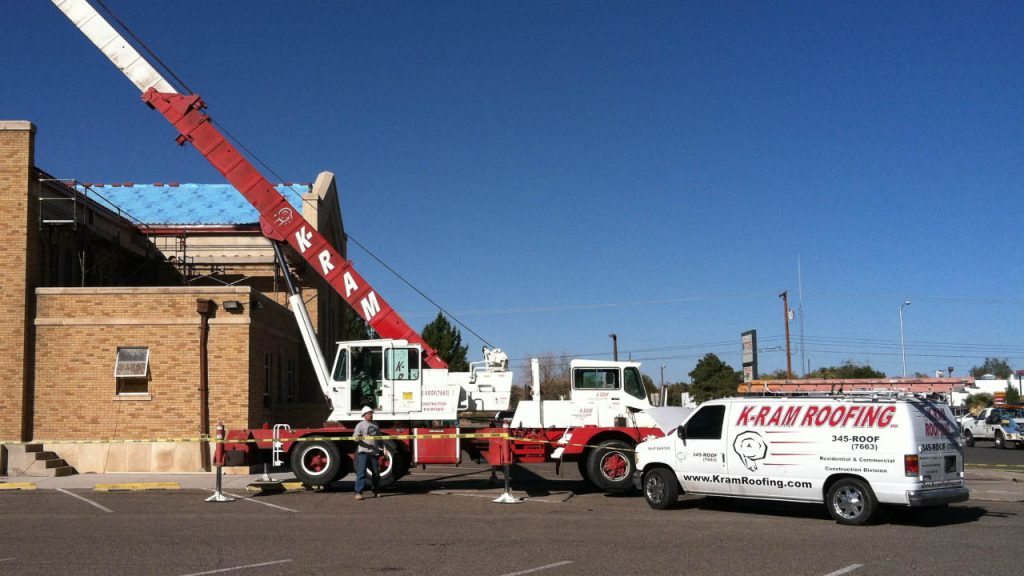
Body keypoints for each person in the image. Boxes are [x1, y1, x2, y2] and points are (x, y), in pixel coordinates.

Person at [352, 405, 381, 500]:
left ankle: (375, 490)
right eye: (369, 414)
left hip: (374, 452)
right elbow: (355, 436)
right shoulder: (360, 425)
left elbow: (380, 438)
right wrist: (357, 438)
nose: (371, 415)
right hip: (363, 452)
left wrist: (383, 448)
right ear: (364, 415)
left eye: (371, 413)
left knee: (376, 473)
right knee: (361, 472)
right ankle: (358, 492)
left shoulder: (376, 425)